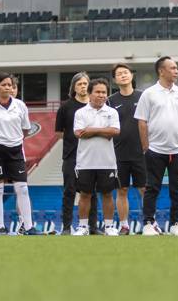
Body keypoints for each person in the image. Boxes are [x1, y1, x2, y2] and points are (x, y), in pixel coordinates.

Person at [135, 57, 178, 236]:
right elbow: (142, 122)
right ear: (161, 71)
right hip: (155, 150)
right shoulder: (149, 93)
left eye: (177, 68)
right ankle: (148, 223)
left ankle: (176, 224)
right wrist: (146, 148)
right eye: (172, 68)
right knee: (152, 188)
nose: (176, 71)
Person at [0, 72, 40, 235]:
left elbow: (26, 129)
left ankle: (28, 226)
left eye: (10, 85)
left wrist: (13, 140)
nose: (8, 87)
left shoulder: (20, 106)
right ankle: (0, 226)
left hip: (16, 150)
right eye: (4, 84)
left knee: (23, 188)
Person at [72, 78, 121, 236]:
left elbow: (115, 131)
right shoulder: (80, 112)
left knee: (107, 194)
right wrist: (103, 131)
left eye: (104, 93)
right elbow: (79, 133)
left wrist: (91, 130)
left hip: (107, 162)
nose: (101, 95)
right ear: (90, 93)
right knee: (85, 195)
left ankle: (109, 227)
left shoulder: (112, 112)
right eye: (98, 92)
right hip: (85, 162)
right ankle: (83, 227)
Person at [55, 72, 98, 234]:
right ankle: (66, 227)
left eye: (85, 83)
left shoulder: (95, 105)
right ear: (73, 87)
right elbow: (59, 132)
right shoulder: (65, 107)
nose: (82, 86)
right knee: (69, 191)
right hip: (71, 155)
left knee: (91, 193)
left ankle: (92, 227)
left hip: (92, 156)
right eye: (79, 84)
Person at [107, 63, 146, 235]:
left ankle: (149, 224)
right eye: (119, 74)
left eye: (126, 72)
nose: (123, 75)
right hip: (118, 153)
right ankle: (124, 225)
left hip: (142, 152)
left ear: (132, 75)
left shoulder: (144, 97)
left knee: (144, 189)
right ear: (115, 80)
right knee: (121, 190)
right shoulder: (110, 101)